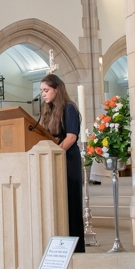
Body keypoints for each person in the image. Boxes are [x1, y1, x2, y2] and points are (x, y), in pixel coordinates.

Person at [40, 74, 86, 253]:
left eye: (46, 90)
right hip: (54, 161)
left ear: (57, 89)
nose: (43, 94)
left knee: (71, 204)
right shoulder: (48, 111)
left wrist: (56, 154)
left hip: (68, 161)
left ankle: (76, 250)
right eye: (42, 91)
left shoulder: (69, 108)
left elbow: (71, 137)